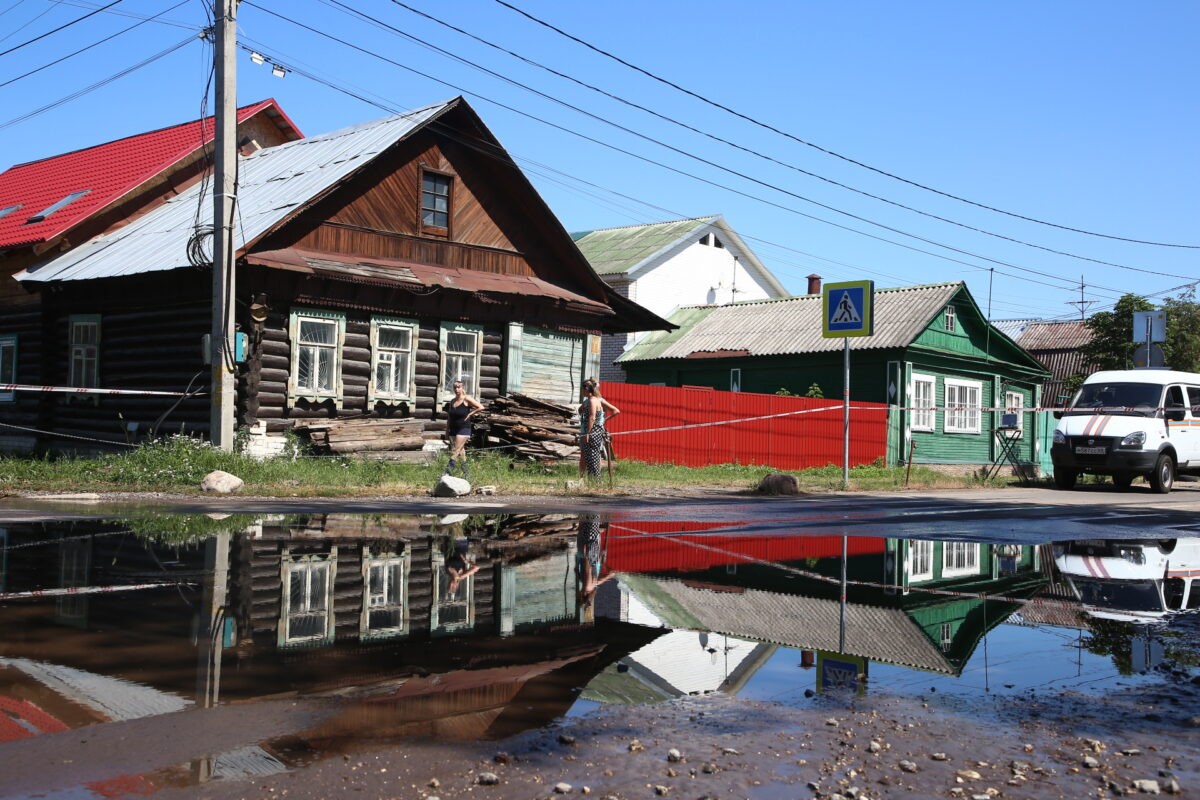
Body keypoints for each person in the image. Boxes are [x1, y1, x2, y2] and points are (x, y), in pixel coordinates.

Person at [578, 378, 619, 480]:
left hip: (593, 431)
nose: (581, 391)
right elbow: (581, 410)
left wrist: (588, 433)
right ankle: (588, 479)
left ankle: (596, 480)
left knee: (594, 456)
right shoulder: (588, 401)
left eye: (582, 389)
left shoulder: (595, 400)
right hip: (587, 430)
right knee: (588, 456)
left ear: (587, 389)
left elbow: (592, 417)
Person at [443, 379, 483, 478]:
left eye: (458, 387)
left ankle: (447, 471)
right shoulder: (452, 401)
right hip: (453, 428)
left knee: (455, 450)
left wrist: (470, 413)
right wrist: (447, 431)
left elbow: (481, 407)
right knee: (461, 452)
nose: (457, 389)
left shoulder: (466, 399)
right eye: (455, 388)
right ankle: (467, 474)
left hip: (464, 428)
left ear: (462, 388)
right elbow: (449, 417)